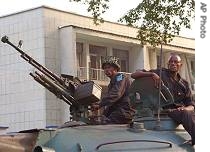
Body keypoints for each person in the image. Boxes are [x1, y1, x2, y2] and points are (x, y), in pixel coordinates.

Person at [131, 54, 195, 146]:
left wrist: (186, 109)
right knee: (184, 114)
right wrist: (151, 74)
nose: (173, 64)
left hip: (182, 112)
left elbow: (191, 105)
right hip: (165, 110)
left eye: (176, 62)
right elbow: (134, 75)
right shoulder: (160, 73)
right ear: (168, 64)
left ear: (180, 65)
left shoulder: (184, 83)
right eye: (171, 62)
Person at [92, 56, 135, 124]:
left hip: (124, 112)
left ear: (115, 68)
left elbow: (116, 94)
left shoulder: (120, 77)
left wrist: (100, 104)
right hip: (117, 112)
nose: (106, 70)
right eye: (105, 68)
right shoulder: (111, 83)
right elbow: (111, 103)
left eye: (109, 67)